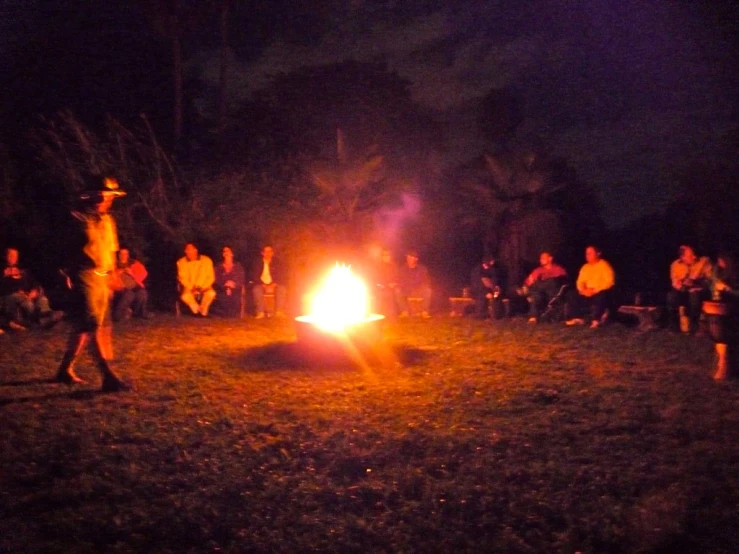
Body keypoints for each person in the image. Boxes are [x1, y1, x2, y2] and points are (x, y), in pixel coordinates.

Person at [55, 174, 131, 392]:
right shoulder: (76, 219)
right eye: (100, 195)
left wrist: (113, 275)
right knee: (91, 324)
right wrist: (64, 275)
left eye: (108, 196)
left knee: (88, 326)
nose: (104, 199)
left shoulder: (108, 221)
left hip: (103, 276)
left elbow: (112, 250)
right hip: (84, 275)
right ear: (91, 196)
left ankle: (64, 369)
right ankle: (108, 377)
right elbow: (63, 251)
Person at [1, 247, 62, 330]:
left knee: (42, 299)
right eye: (10, 255)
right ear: (5, 256)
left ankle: (46, 316)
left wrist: (34, 290)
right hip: (11, 297)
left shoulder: (22, 271)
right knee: (24, 300)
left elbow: (34, 282)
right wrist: (4, 275)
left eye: (15, 255)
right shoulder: (2, 271)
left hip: (26, 295)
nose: (13, 257)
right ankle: (44, 320)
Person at [565, 245, 615, 329]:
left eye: (590, 253)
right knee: (572, 294)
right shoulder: (585, 267)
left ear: (598, 253)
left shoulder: (604, 265)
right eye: (586, 253)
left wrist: (595, 290)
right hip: (587, 292)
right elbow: (580, 282)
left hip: (598, 291)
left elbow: (610, 281)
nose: (587, 255)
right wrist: (583, 290)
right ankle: (577, 318)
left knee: (602, 295)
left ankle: (596, 320)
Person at [667, 245, 712, 333]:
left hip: (699, 289)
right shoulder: (675, 265)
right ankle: (674, 326)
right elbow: (674, 282)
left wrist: (696, 283)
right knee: (671, 296)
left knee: (694, 295)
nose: (694, 256)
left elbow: (711, 280)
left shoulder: (704, 261)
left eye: (694, 254)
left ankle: (694, 326)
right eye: (690, 255)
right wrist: (681, 284)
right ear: (682, 257)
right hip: (684, 290)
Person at [521, 251, 567, 323]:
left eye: (543, 258)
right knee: (536, 295)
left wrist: (537, 284)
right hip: (542, 294)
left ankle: (531, 289)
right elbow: (528, 281)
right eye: (540, 258)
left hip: (553, 293)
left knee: (551, 281)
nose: (541, 260)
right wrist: (530, 283)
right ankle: (533, 317)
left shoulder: (558, 269)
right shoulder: (538, 270)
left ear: (550, 258)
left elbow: (561, 283)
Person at [177, 243, 216, 317]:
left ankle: (203, 310)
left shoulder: (206, 260)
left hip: (204, 287)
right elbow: (182, 278)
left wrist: (201, 288)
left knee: (211, 293)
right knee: (185, 296)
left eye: (190, 249)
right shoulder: (181, 262)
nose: (189, 252)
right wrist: (192, 288)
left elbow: (211, 277)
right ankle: (197, 310)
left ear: (196, 250)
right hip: (190, 288)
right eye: (187, 250)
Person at [112, 247, 149, 321]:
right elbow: (109, 276)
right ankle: (117, 316)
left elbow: (144, 273)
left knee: (142, 294)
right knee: (129, 295)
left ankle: (138, 314)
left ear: (128, 255)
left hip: (135, 286)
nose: (123, 255)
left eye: (125, 254)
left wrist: (132, 273)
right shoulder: (114, 265)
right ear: (119, 255)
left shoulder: (133, 263)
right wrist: (118, 273)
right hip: (121, 287)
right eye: (121, 254)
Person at [251, 244, 286, 318]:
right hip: (261, 284)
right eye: (266, 251)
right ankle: (260, 312)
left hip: (274, 284)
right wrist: (264, 285)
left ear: (272, 253)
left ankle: (279, 312)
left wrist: (273, 285)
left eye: (270, 251)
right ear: (262, 253)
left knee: (282, 289)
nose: (268, 253)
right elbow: (255, 276)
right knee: (256, 289)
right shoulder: (257, 263)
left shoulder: (277, 262)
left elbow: (281, 275)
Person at [396, 249, 432, 318]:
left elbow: (426, 281)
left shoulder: (422, 269)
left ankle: (424, 311)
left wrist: (418, 289)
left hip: (418, 290)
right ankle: (404, 311)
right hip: (407, 290)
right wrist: (407, 288)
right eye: (408, 257)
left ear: (416, 259)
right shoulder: (402, 269)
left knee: (428, 290)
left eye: (411, 257)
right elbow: (400, 281)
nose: (408, 259)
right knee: (397, 290)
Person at [213, 245, 245, 318]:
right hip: (222, 287)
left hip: (235, 287)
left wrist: (233, 284)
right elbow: (216, 279)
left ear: (232, 253)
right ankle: (224, 314)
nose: (226, 253)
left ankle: (233, 314)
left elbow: (241, 278)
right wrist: (226, 285)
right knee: (222, 295)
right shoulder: (218, 267)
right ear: (223, 254)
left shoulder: (238, 266)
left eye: (228, 251)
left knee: (236, 296)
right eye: (224, 251)